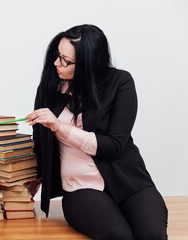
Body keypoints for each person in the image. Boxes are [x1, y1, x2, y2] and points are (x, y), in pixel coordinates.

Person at [25, 24, 168, 240]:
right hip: (80, 187)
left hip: (129, 180)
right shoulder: (49, 89)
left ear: (88, 64)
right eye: (57, 55)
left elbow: (114, 146)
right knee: (117, 235)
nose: (57, 63)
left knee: (152, 235)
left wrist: (60, 127)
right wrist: (33, 179)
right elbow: (39, 143)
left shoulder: (121, 82)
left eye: (66, 60)